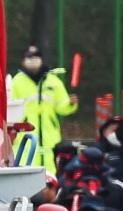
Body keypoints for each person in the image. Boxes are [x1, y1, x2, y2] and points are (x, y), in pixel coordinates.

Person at [9, 45, 77, 174]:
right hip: (25, 136)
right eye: (29, 57)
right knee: (26, 171)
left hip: (50, 136)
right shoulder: (16, 82)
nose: (33, 60)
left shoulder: (53, 81)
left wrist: (70, 104)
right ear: (23, 61)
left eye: (36, 57)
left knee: (51, 171)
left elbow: (62, 107)